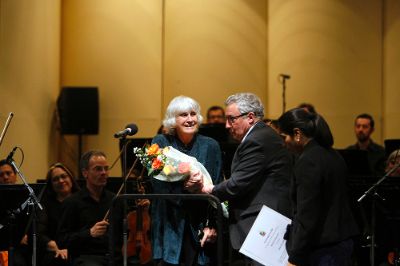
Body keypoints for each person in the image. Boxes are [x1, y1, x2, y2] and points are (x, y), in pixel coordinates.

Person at [187, 92, 292, 265]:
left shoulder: (257, 140)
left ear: (250, 117)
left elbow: (238, 183)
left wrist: (209, 190)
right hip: (263, 222)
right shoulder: (261, 136)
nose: (227, 125)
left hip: (263, 225)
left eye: (231, 119)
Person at [278, 108, 359, 266]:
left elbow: (307, 215)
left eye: (284, 136)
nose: (284, 143)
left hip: (324, 248)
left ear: (297, 134)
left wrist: (295, 258)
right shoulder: (333, 154)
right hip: (341, 242)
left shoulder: (308, 161)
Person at [151, 95, 222, 265]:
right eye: (183, 115)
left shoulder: (211, 145)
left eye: (193, 114)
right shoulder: (160, 142)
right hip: (169, 223)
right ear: (172, 120)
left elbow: (218, 187)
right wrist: (185, 187)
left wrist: (213, 225)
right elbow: (157, 185)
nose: (190, 119)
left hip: (200, 222)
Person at [57, 150, 123, 266]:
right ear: (85, 173)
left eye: (106, 168)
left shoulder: (115, 200)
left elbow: (124, 232)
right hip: (87, 258)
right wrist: (89, 233)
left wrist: (141, 211)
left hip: (114, 257)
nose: (104, 173)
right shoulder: (72, 203)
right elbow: (62, 240)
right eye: (98, 169)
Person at [36, 163, 80, 266]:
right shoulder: (45, 204)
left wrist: (70, 249)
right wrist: (54, 246)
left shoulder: (82, 200)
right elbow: (39, 232)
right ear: (51, 185)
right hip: (52, 251)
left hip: (79, 249)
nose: (61, 181)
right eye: (55, 179)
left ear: (71, 178)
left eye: (64, 176)